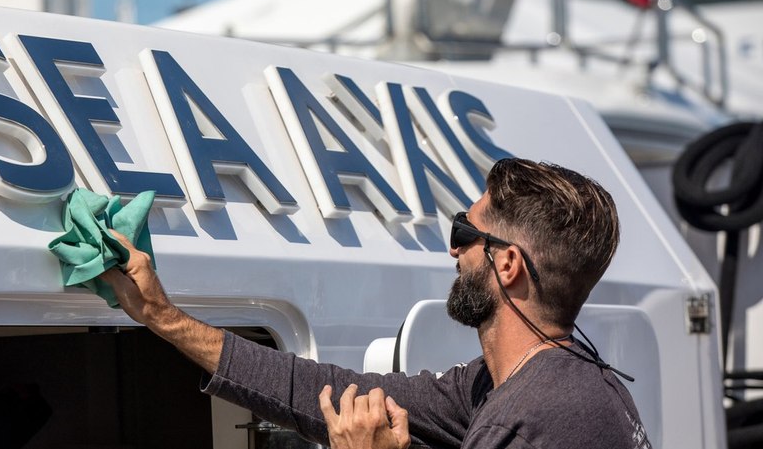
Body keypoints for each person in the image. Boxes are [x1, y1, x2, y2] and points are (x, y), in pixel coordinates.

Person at [100, 158, 651, 449]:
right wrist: (161, 317)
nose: (454, 246)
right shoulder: (526, 383)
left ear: (507, 265)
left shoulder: (534, 422)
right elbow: (314, 389)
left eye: (466, 229)